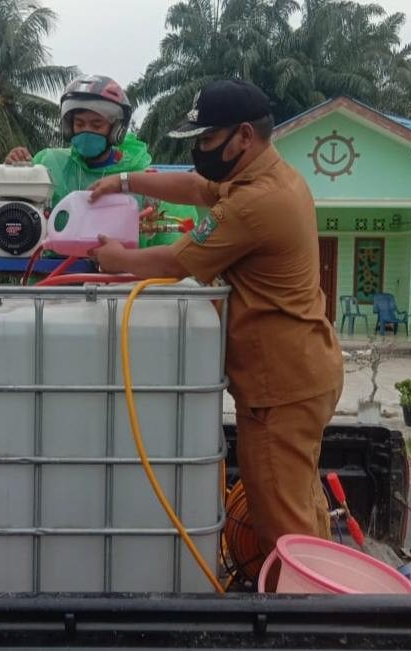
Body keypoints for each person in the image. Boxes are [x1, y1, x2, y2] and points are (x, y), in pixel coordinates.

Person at [89, 78, 344, 560]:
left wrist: (115, 258)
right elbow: (193, 185)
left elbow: (175, 262)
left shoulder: (255, 203)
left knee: (283, 528)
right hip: (304, 372)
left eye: (207, 139)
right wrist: (125, 181)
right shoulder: (268, 177)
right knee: (302, 505)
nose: (200, 150)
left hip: (279, 387)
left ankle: (302, 603)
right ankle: (320, 589)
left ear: (243, 135)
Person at [5, 74, 197, 221]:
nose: (86, 131)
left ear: (116, 130)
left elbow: (170, 240)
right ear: (69, 127)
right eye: (79, 124)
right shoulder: (49, 163)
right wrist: (15, 170)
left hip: (119, 263)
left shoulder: (141, 177)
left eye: (96, 125)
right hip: (52, 263)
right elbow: (17, 211)